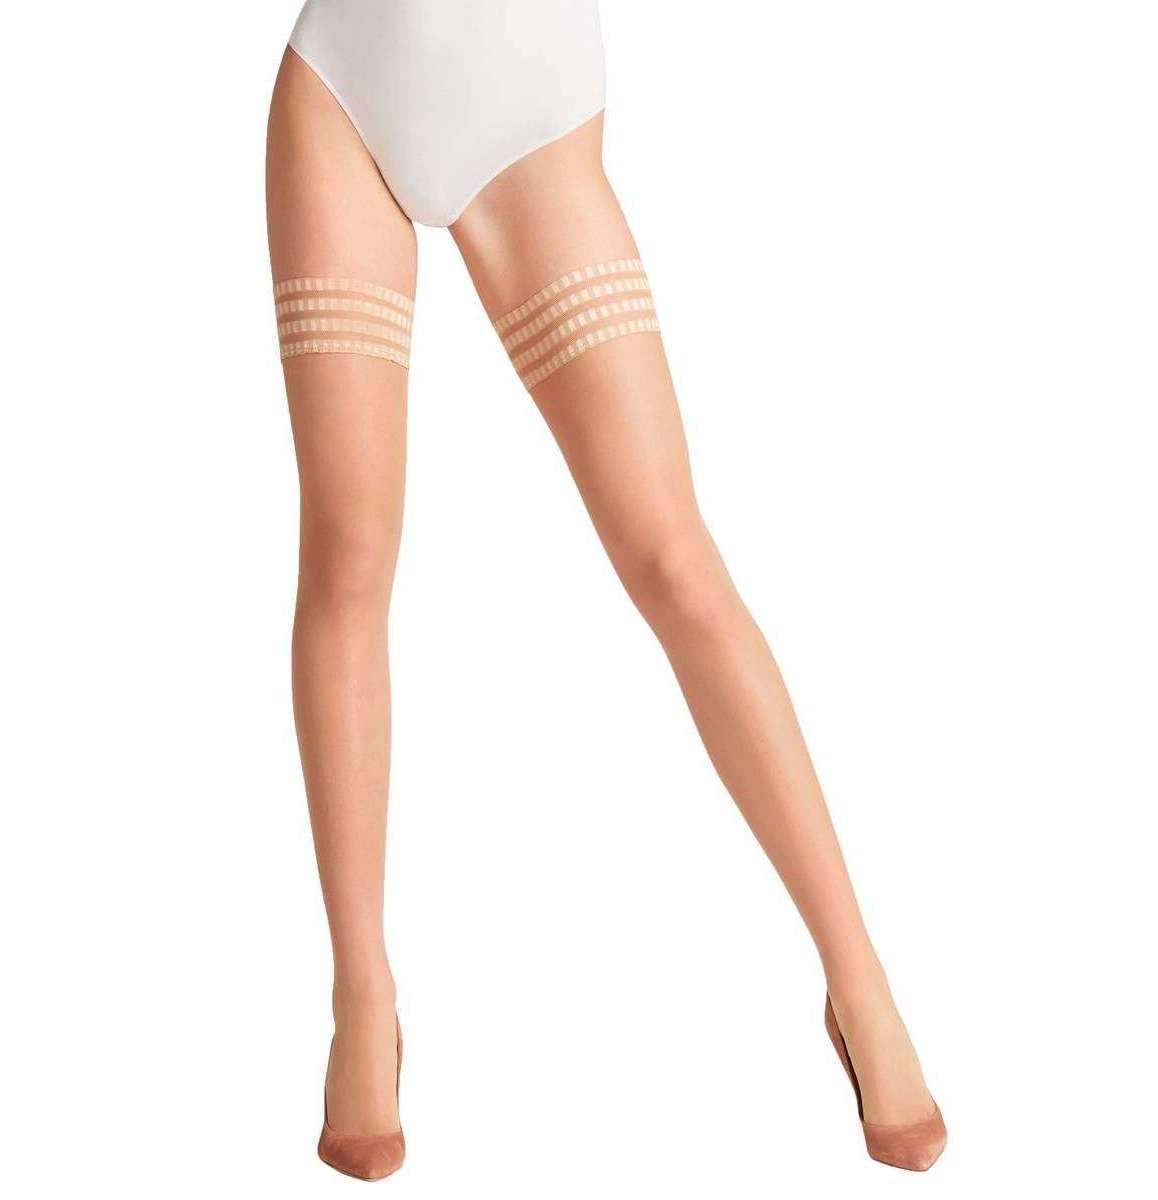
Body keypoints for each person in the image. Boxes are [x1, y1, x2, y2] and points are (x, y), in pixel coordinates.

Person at [266, 0, 946, 1179]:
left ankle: (861, 983)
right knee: (348, 552)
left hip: (529, 113)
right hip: (339, 92)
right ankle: (361, 996)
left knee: (671, 557)